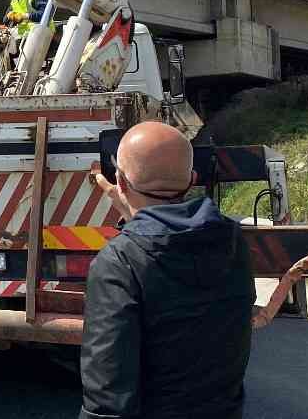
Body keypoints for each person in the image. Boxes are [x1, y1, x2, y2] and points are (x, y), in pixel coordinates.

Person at [80, 122, 255, 419]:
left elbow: (108, 393)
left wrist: (134, 227)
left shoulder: (120, 263)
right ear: (192, 179)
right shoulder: (232, 240)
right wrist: (136, 221)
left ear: (120, 183)